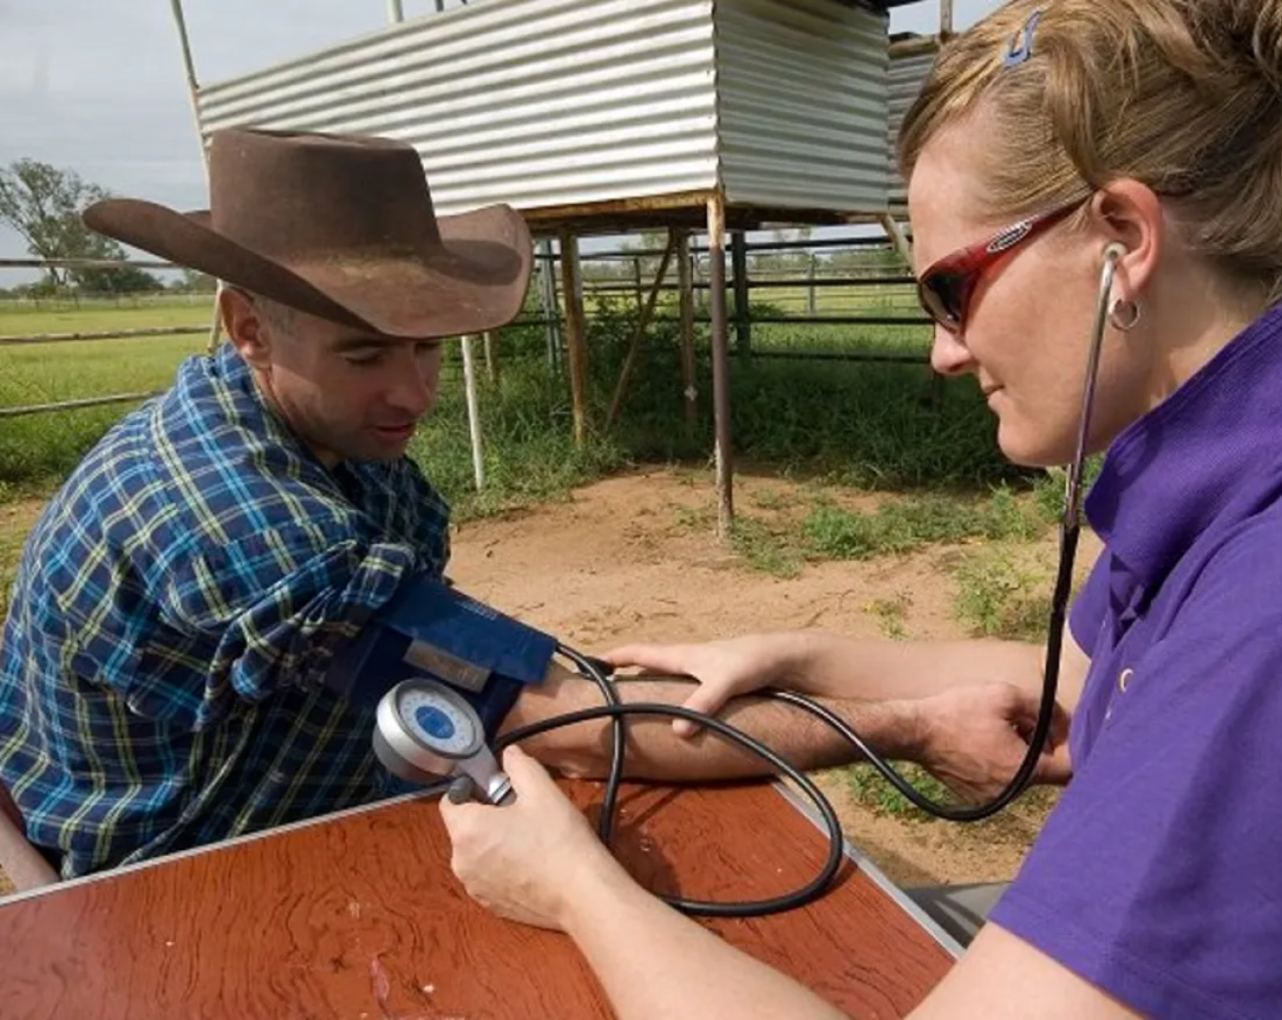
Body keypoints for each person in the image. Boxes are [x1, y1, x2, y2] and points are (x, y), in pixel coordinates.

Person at [436, 2, 1282, 1017]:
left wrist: (575, 887)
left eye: (953, 288)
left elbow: (1228, 678)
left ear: (1123, 238)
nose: (944, 350)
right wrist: (798, 654)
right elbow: (1077, 675)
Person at [0, 127, 1056, 882]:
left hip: (309, 796)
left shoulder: (325, 440)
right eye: (366, 351)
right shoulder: (236, 516)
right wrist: (911, 725)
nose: (412, 393)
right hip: (183, 877)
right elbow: (580, 733)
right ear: (247, 327)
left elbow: (464, 655)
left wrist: (556, 670)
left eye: (424, 345)